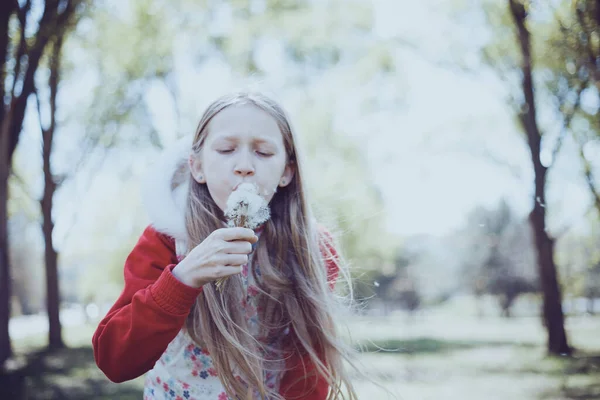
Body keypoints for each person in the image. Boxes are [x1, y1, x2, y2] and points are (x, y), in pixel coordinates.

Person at [92, 92, 359, 400]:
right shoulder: (167, 237)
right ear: (197, 167)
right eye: (226, 149)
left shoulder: (312, 248)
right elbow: (114, 360)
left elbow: (308, 365)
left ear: (287, 172)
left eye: (263, 152)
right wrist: (182, 278)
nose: (244, 165)